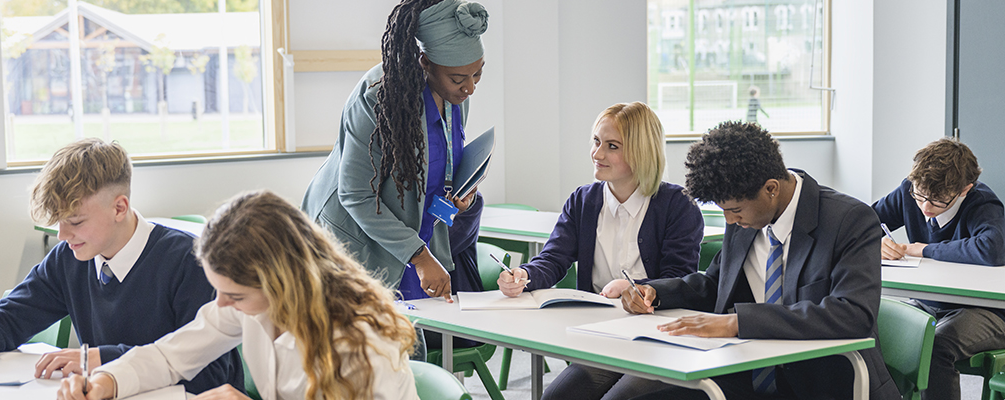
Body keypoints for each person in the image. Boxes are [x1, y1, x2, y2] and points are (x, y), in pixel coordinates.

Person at [0, 138, 243, 395]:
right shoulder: (70, 259)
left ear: (120, 207)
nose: (62, 235)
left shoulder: (188, 262)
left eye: (75, 221)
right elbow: (12, 316)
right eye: (60, 223)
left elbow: (207, 375)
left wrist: (100, 358)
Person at [619, 121, 899, 400]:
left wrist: (738, 322)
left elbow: (853, 314)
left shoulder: (849, 220)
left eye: (735, 210)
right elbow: (716, 284)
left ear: (771, 189)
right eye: (724, 211)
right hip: (744, 376)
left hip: (824, 385)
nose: (729, 220)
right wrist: (655, 292)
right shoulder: (745, 216)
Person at [56, 191, 421, 400]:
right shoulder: (252, 305)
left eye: (235, 295)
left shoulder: (360, 343)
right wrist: (108, 381)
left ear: (281, 284)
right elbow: (171, 356)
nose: (221, 306)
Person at [496, 102, 704, 400]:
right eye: (596, 141)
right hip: (601, 336)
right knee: (556, 398)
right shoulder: (583, 200)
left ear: (640, 151)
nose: (597, 154)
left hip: (656, 340)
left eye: (612, 146)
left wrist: (637, 289)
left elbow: (680, 279)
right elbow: (554, 258)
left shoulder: (677, 205)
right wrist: (524, 274)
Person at [301, 0, 489, 303]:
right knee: (366, 342)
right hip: (356, 239)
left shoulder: (456, 96)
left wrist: (458, 199)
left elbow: (436, 168)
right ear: (425, 63)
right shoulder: (379, 96)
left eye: (477, 75)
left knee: (411, 340)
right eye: (458, 79)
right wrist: (418, 255)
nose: (470, 88)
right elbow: (356, 194)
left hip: (414, 236)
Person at [872, 138, 1005, 399]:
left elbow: (992, 249)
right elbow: (863, 220)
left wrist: (922, 249)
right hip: (930, 301)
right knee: (878, 330)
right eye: (920, 195)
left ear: (965, 189)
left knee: (934, 346)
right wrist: (877, 241)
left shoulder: (981, 203)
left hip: (985, 309)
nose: (925, 207)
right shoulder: (910, 191)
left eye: (938, 200)